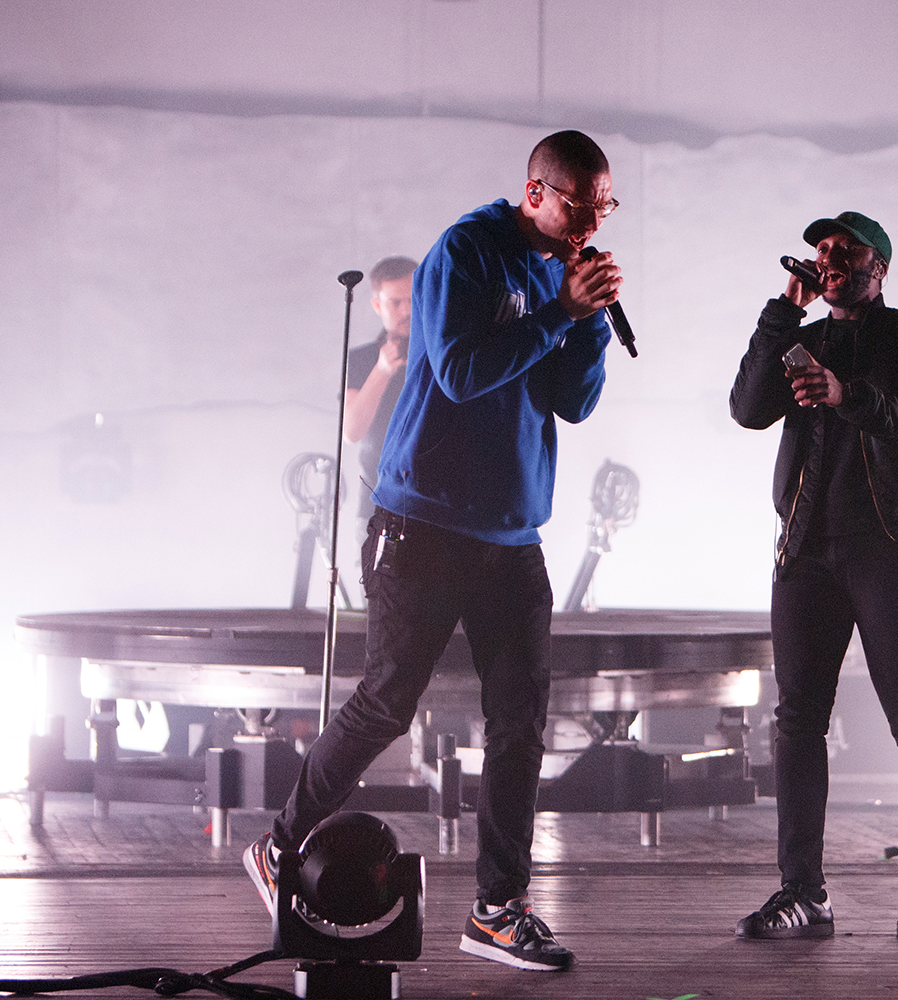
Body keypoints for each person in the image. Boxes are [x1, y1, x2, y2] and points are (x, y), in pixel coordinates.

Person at [244, 130, 623, 972]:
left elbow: (574, 401)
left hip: (513, 533)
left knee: (520, 721)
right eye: (579, 207)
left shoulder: (561, 275)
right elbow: (454, 370)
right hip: (423, 524)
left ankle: (497, 910)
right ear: (534, 192)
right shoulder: (467, 249)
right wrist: (560, 310)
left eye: (604, 209)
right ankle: (280, 845)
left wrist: (588, 324)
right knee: (386, 703)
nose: (589, 225)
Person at [728, 211, 898, 939]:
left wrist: (849, 395)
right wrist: (784, 311)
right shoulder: (803, 336)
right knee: (798, 721)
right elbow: (747, 408)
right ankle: (804, 892)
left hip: (890, 547)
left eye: (844, 250)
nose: (829, 259)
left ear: (879, 266)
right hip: (807, 548)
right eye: (821, 251)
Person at [344, 255, 419, 539]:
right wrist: (382, 371)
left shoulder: (443, 356)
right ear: (377, 306)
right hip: (378, 508)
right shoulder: (362, 360)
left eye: (413, 299)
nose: (407, 310)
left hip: (438, 509)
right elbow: (351, 432)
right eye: (396, 303)